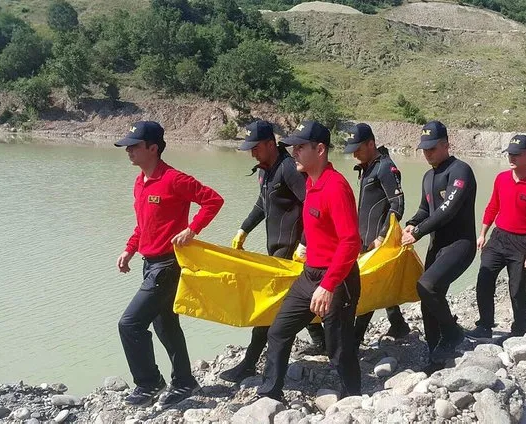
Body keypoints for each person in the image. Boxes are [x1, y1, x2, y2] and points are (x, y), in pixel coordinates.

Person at [115, 121, 224, 407]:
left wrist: (192, 229)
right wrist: (129, 249)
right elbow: (145, 224)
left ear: (153, 148)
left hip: (167, 266)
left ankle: (149, 383)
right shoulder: (140, 182)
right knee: (165, 326)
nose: (128, 150)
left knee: (129, 324)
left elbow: (213, 200)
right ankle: (185, 382)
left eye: (134, 145)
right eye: (128, 145)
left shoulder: (175, 179)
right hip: (148, 263)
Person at [257, 120, 362, 401]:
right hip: (309, 275)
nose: (294, 152)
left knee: (338, 347)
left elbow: (351, 242)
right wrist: (304, 245)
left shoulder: (335, 187)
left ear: (320, 149)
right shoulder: (311, 184)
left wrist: (328, 286)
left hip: (337, 280)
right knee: (278, 332)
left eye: (300, 147)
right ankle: (270, 394)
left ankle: (354, 397)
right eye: (293, 147)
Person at [219, 120, 326, 383]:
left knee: (268, 307)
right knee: (296, 301)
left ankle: (250, 362)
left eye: (256, 147)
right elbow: (262, 204)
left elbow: (312, 204)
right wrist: (243, 229)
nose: (252, 153)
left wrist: (305, 243)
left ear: (270, 143)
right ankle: (324, 342)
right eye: (249, 149)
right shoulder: (264, 171)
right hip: (275, 249)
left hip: (291, 252)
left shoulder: (289, 168)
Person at [402, 120, 477, 370]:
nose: (427, 153)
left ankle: (453, 333)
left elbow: (449, 209)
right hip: (438, 245)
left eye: (432, 148)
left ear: (446, 144)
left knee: (427, 285)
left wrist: (420, 232)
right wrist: (413, 223)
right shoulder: (428, 176)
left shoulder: (460, 171)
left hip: (460, 244)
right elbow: (426, 209)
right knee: (428, 300)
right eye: (424, 149)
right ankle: (435, 355)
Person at [466, 135, 526, 341]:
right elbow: (492, 207)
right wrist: (482, 234)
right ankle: (485, 325)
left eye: (516, 154)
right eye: (509, 153)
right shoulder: (501, 178)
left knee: (517, 289)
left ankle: (519, 331)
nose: (511, 157)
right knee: (484, 280)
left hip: (523, 243)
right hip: (498, 238)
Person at [344, 123, 411, 345]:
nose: (354, 153)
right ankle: (399, 325)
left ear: (371, 144)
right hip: (363, 238)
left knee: (369, 286)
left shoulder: (385, 167)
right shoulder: (367, 166)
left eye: (358, 148)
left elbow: (398, 204)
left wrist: (381, 237)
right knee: (380, 282)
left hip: (376, 240)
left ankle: (355, 337)